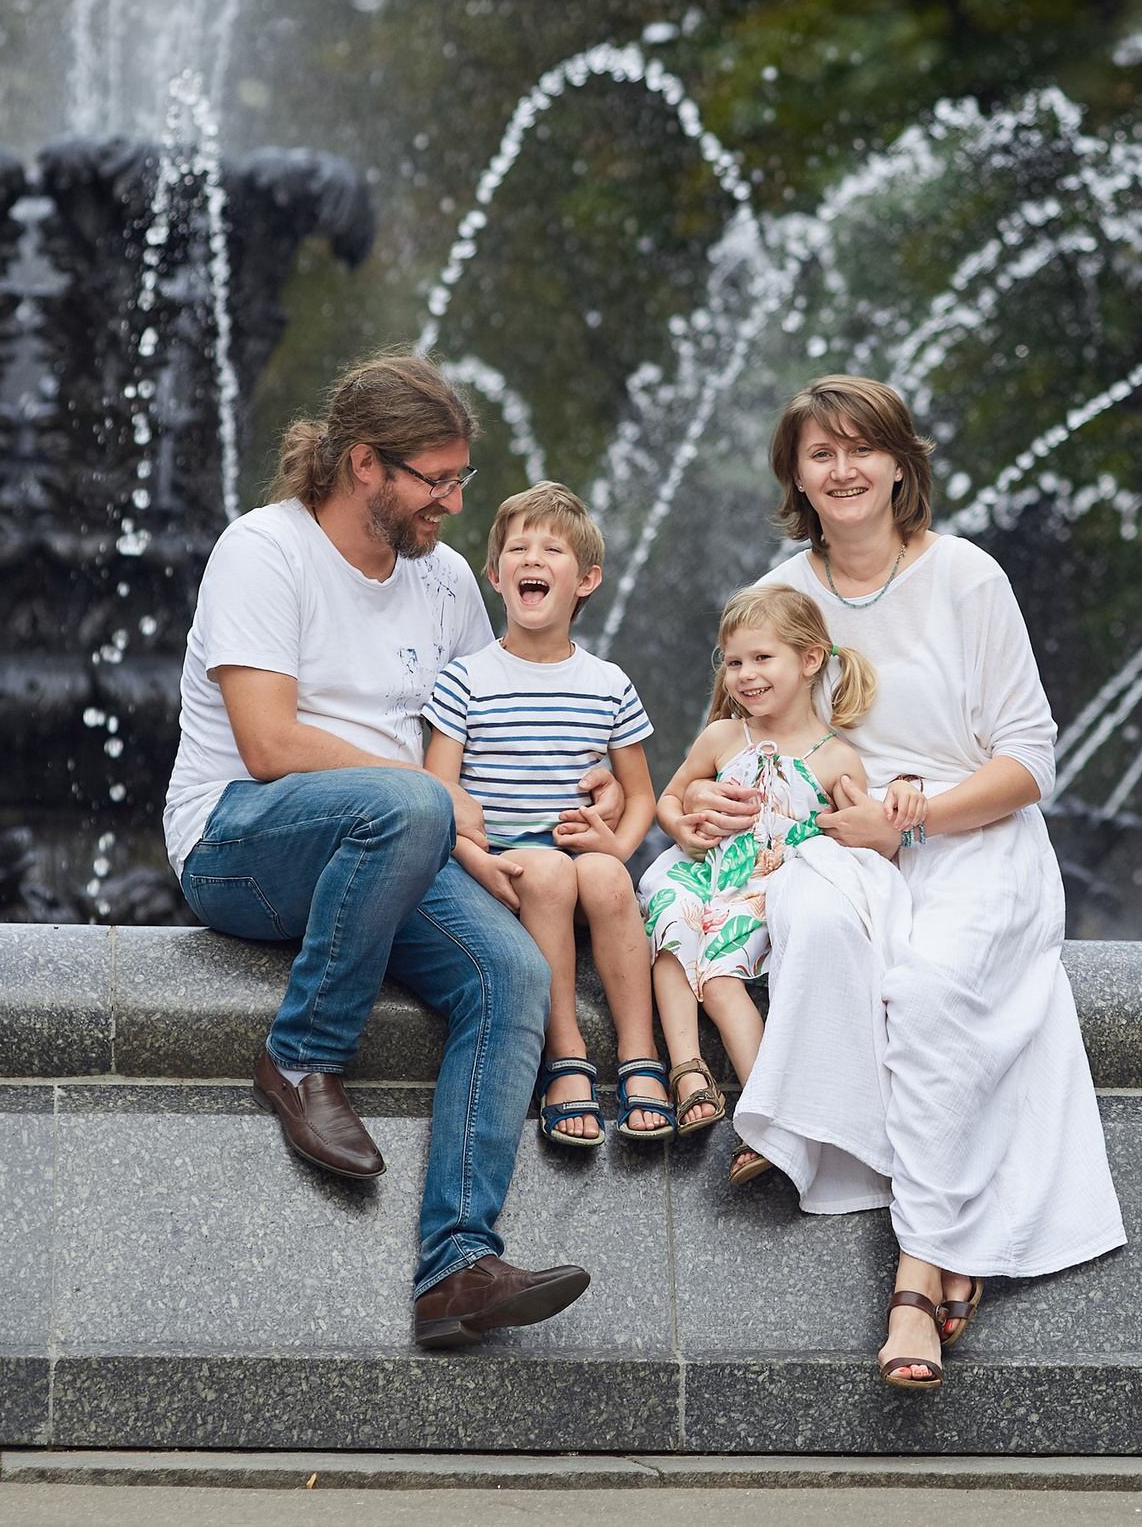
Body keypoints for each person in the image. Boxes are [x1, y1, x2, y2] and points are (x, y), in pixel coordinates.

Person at [163, 350, 618, 1349]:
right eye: (437, 481)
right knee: (408, 804)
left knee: (511, 977)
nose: (455, 504)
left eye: (460, 479)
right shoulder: (262, 552)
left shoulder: (445, 581)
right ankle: (302, 1057)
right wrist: (431, 805)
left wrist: (592, 778)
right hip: (241, 841)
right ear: (364, 465)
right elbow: (269, 743)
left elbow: (475, 738)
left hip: (397, 843)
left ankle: (457, 1265)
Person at [687, 374, 1127, 1392]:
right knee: (804, 911)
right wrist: (705, 803)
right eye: (819, 454)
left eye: (861, 449)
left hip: (969, 836)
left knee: (926, 993)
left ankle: (918, 1275)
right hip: (834, 839)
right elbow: (742, 732)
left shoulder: (966, 577)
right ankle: (816, 1133)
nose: (842, 471)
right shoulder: (783, 582)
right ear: (795, 474)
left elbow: (1031, 762)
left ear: (899, 464)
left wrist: (914, 814)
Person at [423, 481, 671, 1148]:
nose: (532, 557)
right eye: (517, 547)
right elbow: (437, 791)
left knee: (610, 880)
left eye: (552, 548)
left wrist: (615, 844)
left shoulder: (608, 682)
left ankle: (640, 1056)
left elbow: (641, 791)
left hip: (574, 858)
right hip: (500, 865)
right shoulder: (466, 680)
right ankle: (565, 1060)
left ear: (585, 578)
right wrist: (476, 858)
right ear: (496, 573)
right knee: (555, 875)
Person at [639, 585, 906, 1185]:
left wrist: (888, 822)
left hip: (771, 886)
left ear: (810, 661)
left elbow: (866, 835)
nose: (745, 675)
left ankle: (768, 1117)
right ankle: (687, 1069)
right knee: (671, 922)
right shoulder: (723, 738)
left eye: (762, 659)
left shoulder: (835, 758)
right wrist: (682, 822)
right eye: (734, 662)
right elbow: (670, 799)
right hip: (707, 871)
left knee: (721, 977)